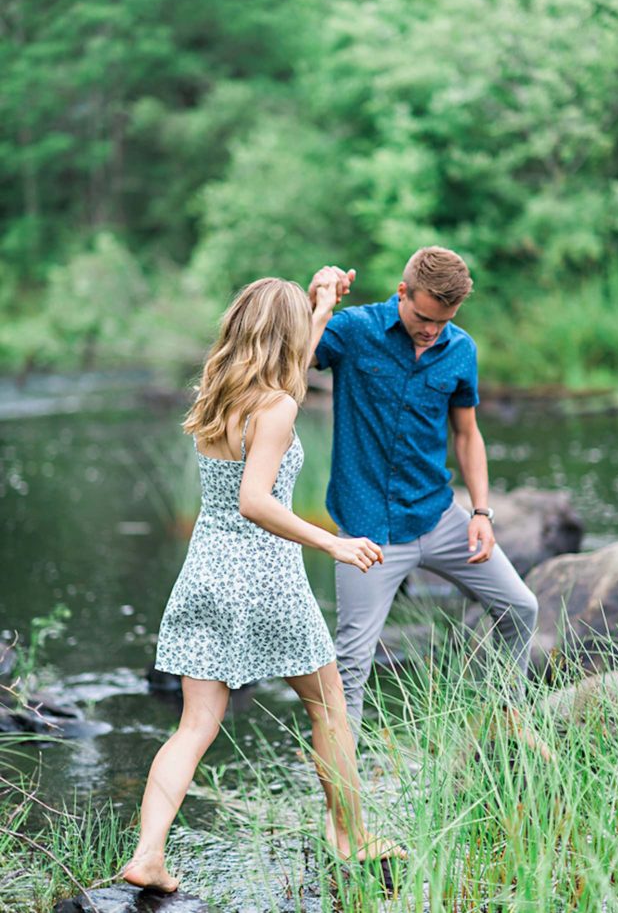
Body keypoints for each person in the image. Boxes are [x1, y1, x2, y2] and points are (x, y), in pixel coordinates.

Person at [120, 277, 406, 893]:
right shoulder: (275, 407)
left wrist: (322, 306)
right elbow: (255, 501)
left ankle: (148, 855)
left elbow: (291, 375)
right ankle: (351, 834)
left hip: (203, 573)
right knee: (328, 703)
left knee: (195, 725)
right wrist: (331, 541)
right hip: (264, 577)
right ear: (285, 334)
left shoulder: (218, 393)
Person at [308, 247, 549, 756]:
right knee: (350, 666)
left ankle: (505, 715)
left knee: (520, 606)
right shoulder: (355, 331)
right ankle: (344, 815)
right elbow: (294, 365)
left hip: (439, 517)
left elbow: (467, 434)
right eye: (422, 317)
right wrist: (319, 304)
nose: (430, 330)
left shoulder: (460, 350)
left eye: (443, 321)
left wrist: (481, 512)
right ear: (402, 293)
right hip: (366, 530)